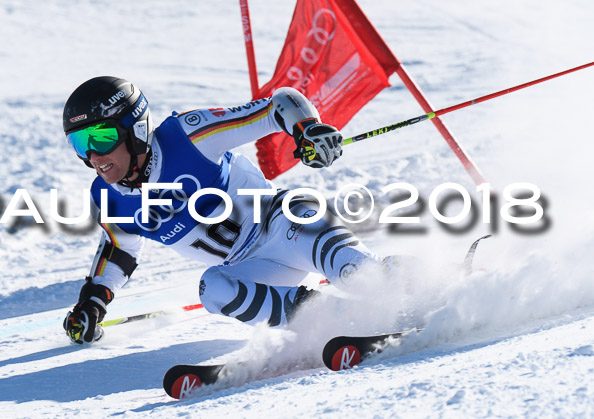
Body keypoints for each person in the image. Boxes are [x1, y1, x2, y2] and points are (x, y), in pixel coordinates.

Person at [62, 76, 381, 344]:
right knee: (213, 288)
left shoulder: (186, 135)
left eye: (101, 137)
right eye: (79, 142)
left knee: (361, 276)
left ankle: (411, 288)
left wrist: (307, 128)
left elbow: (277, 105)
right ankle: (329, 320)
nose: (93, 155)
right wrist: (91, 304)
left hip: (283, 223)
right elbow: (119, 252)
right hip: (251, 266)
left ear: (136, 129)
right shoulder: (108, 198)